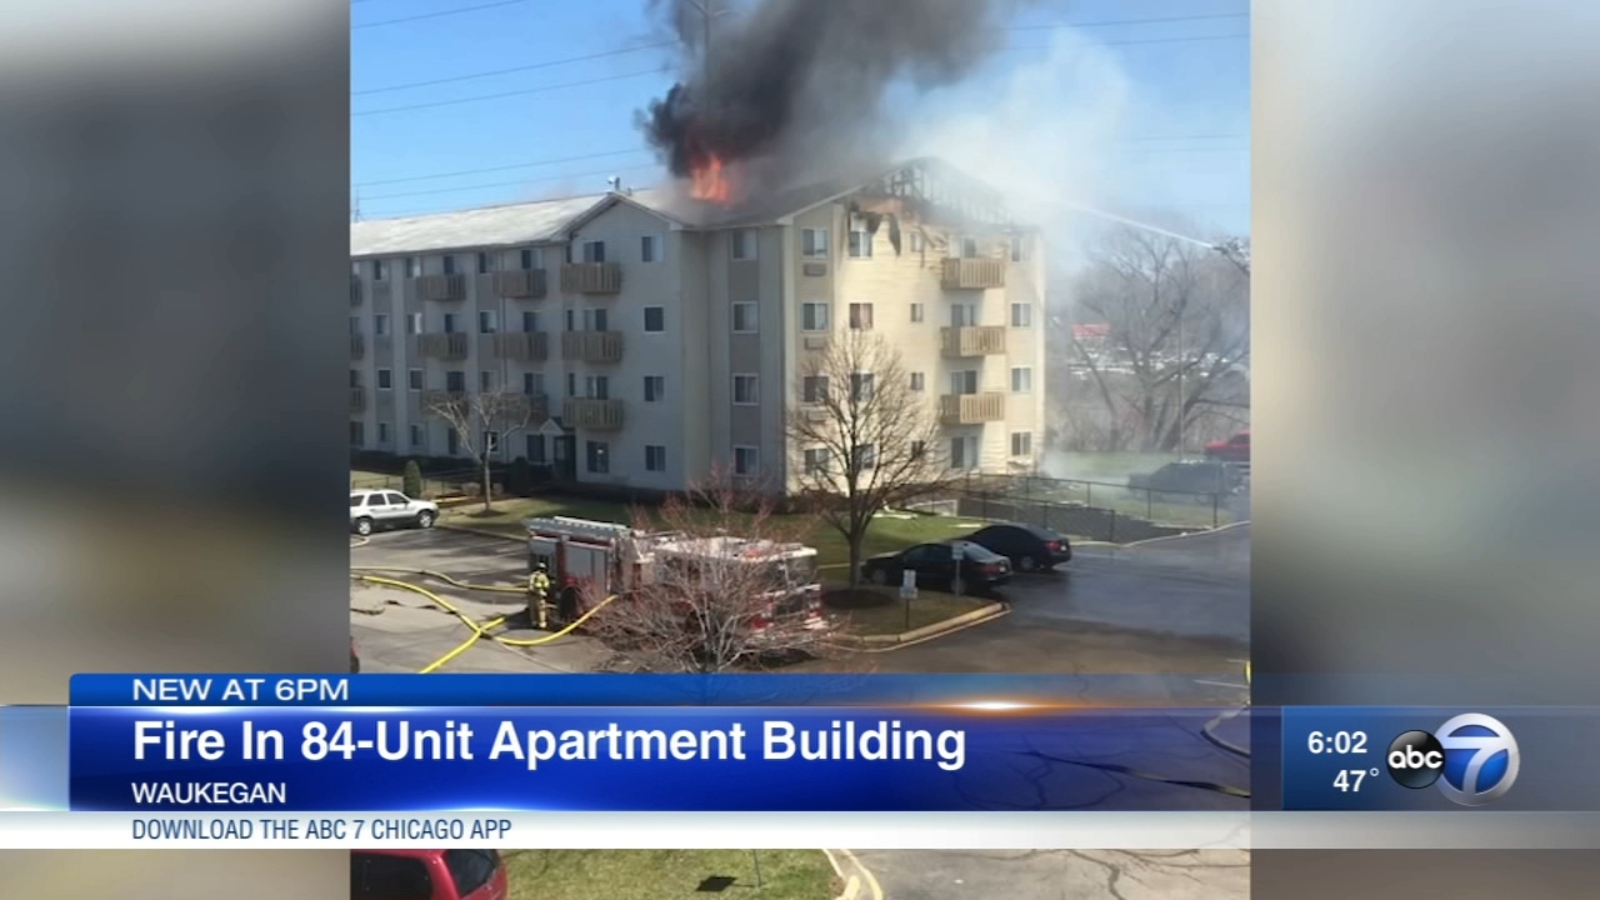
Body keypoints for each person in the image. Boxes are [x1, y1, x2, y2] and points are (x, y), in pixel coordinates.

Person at [528, 562, 553, 629]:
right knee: (540, 610)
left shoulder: (533, 576)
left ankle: (535, 623)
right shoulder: (541, 576)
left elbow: (530, 586)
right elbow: (546, 586)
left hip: (533, 596)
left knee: (534, 610)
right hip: (539, 596)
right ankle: (541, 624)